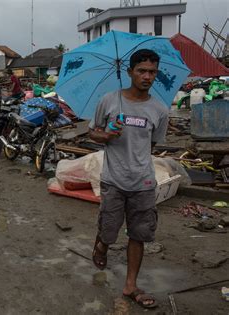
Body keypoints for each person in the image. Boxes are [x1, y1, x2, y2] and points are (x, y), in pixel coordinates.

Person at [89, 49, 168, 309]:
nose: (147, 76)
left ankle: (130, 285)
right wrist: (107, 135)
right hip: (113, 180)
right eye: (142, 71)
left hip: (143, 183)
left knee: (139, 234)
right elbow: (93, 133)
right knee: (109, 232)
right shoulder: (109, 101)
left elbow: (153, 145)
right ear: (130, 72)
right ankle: (101, 245)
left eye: (152, 72)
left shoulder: (159, 110)